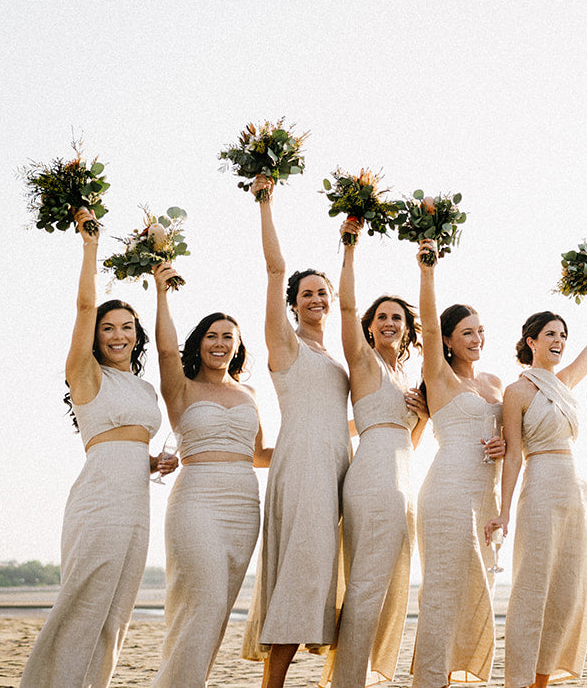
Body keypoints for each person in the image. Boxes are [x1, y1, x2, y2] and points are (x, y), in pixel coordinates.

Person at [21, 210, 175, 688]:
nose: (118, 335)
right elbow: (85, 306)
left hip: (135, 501)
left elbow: (127, 444)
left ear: (137, 334)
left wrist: (153, 461)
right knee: (83, 602)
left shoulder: (145, 389)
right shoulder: (86, 374)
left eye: (127, 327)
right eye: (109, 328)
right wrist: (90, 247)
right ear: (96, 335)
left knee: (116, 611)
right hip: (99, 500)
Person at [241, 176, 352, 688]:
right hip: (302, 467)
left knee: (317, 575)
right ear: (293, 303)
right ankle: (273, 684)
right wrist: (266, 202)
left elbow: (336, 415)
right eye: (306, 294)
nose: (315, 299)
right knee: (298, 573)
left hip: (335, 469)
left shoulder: (338, 356)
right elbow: (274, 267)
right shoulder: (285, 345)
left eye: (321, 293)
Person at [486, 263, 587, 687]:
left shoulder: (567, 381)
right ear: (531, 342)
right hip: (539, 486)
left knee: (568, 585)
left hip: (574, 488)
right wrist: (504, 514)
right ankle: (518, 680)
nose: (559, 341)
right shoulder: (517, 391)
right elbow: (514, 457)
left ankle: (543, 680)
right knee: (533, 584)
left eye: (562, 335)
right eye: (551, 335)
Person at [149, 263, 271, 688]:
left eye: (227, 338)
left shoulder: (249, 394)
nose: (219, 344)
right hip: (196, 500)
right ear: (199, 344)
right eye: (211, 336)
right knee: (204, 599)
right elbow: (165, 351)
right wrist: (162, 293)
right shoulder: (181, 387)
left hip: (244, 504)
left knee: (216, 610)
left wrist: (337, 433)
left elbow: (259, 455)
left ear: (237, 347)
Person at [331, 224, 430, 688]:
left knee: (390, 588)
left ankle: (362, 677)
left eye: (398, 319)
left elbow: (409, 442)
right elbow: (346, 306)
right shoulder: (366, 363)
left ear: (407, 329)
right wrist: (350, 247)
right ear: (370, 326)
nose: (390, 323)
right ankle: (348, 681)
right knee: (367, 588)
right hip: (372, 477)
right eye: (382, 318)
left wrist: (424, 415)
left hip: (402, 477)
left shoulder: (407, 378)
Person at [410, 239, 507, 688]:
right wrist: (428, 268)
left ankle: (461, 679)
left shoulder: (494, 382)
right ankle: (430, 681)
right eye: (466, 332)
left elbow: (510, 432)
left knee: (476, 591)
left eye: (481, 330)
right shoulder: (441, 377)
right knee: (444, 591)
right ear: (448, 341)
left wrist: (504, 443)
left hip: (483, 496)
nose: (477, 339)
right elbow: (427, 325)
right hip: (447, 492)